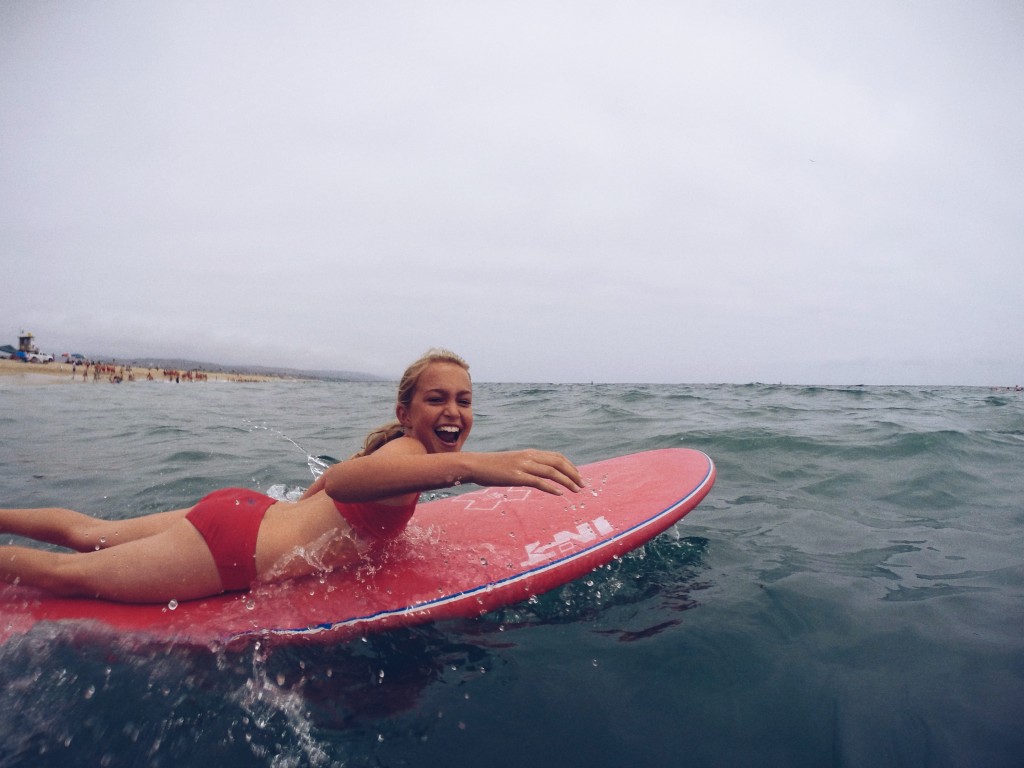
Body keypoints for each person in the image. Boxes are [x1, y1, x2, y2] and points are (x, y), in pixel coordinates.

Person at [0, 349, 582, 603]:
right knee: (63, 575)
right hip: (234, 552)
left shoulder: (402, 455)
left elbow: (331, 488)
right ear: (406, 412)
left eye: (464, 399)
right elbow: (348, 481)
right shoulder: (409, 455)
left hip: (246, 515)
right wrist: (475, 466)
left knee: (87, 532)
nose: (453, 411)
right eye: (436, 399)